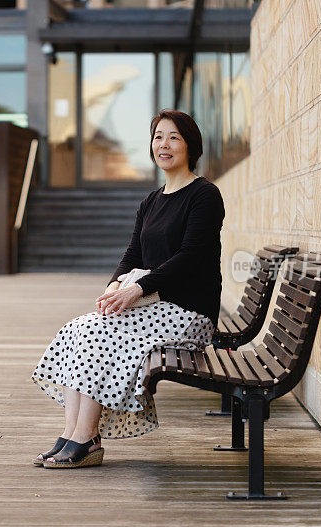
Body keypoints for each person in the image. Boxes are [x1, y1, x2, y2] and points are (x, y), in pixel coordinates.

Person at [31, 110, 224, 469]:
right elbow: (132, 252)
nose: (163, 145)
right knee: (79, 328)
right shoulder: (151, 201)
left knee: (97, 333)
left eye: (174, 138)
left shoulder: (204, 195)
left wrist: (137, 290)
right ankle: (73, 431)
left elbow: (190, 256)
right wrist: (115, 285)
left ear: (190, 146)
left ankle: (86, 439)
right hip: (156, 307)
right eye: (157, 137)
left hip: (188, 312)